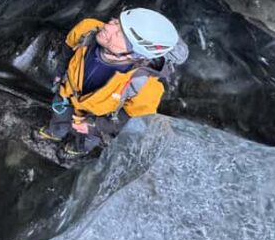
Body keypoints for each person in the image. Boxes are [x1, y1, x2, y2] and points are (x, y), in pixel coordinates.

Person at [34, 8, 188, 160]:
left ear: (135, 53)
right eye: (115, 21)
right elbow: (67, 50)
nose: (107, 27)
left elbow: (133, 119)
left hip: (95, 115)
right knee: (60, 115)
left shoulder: (147, 87)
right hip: (67, 93)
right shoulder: (87, 29)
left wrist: (96, 125)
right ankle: (55, 132)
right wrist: (59, 75)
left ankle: (78, 148)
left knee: (87, 136)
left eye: (119, 33)